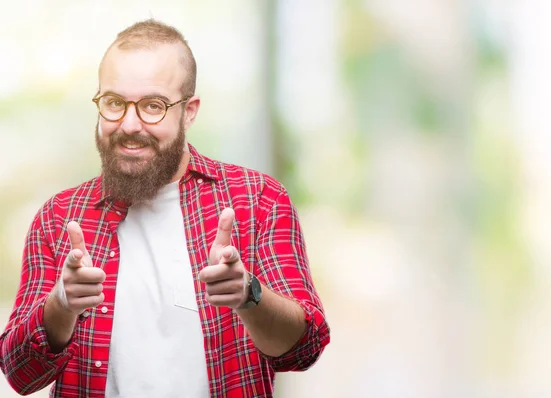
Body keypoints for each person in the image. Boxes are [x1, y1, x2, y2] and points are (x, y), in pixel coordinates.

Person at [0, 19, 330, 398]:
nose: (128, 123)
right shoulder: (59, 217)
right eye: (113, 103)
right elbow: (20, 376)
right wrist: (60, 305)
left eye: (152, 106)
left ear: (189, 112)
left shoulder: (258, 200)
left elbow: (304, 350)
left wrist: (248, 294)